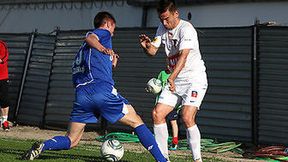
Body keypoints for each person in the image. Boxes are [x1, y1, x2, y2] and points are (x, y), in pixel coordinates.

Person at [23, 11, 167, 162]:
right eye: (113, 29)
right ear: (108, 24)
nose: (112, 34)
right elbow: (90, 37)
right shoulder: (102, 33)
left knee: (72, 140)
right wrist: (103, 49)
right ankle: (162, 160)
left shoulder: (81, 53)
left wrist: (110, 65)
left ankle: (43, 146)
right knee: (136, 121)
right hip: (101, 91)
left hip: (82, 96)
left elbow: (91, 69)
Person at [139, 1, 208, 162]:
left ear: (176, 13)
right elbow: (153, 52)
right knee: (157, 114)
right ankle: (163, 159)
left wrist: (171, 77)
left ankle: (197, 160)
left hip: (193, 79)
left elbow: (183, 57)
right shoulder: (161, 29)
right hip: (175, 80)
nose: (164, 23)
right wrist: (146, 46)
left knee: (186, 116)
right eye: (161, 19)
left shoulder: (186, 29)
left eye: (167, 18)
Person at [0, 40, 10, 131]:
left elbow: (4, 57)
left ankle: (4, 121)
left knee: (4, 99)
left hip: (2, 77)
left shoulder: (2, 44)